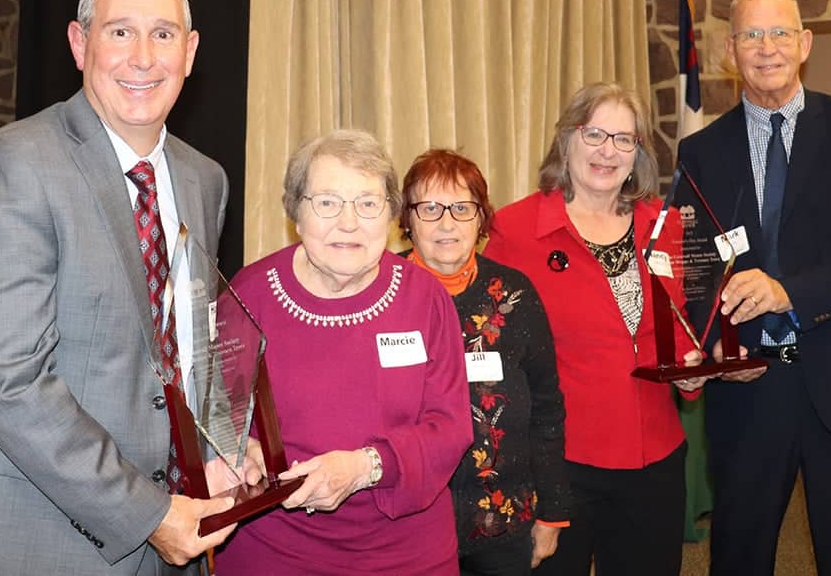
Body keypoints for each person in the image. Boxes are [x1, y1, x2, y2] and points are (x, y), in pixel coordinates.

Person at [0, 0, 241, 575]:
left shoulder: (205, 179)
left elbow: (188, 348)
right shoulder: (12, 165)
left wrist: (227, 447)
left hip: (176, 538)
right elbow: (4, 378)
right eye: (120, 31)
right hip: (35, 538)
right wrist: (147, 514)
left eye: (163, 34)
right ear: (79, 43)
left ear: (190, 51)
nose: (143, 58)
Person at [678, 0, 831, 576]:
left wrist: (789, 293)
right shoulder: (700, 151)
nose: (767, 48)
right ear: (731, 51)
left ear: (804, 44)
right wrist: (721, 346)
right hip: (749, 387)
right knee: (740, 554)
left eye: (780, 32)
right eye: (751, 35)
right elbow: (696, 267)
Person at [214, 130, 473, 575]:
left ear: (391, 213)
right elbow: (213, 411)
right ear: (296, 211)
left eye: (368, 203)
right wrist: (240, 449)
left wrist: (365, 467)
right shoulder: (248, 295)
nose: (349, 223)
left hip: (407, 556)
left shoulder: (426, 298)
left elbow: (450, 428)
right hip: (275, 550)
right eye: (327, 202)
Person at [484, 82, 708, 576]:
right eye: (594, 134)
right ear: (567, 139)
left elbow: (677, 323)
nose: (608, 151)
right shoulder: (515, 230)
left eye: (624, 139)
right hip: (560, 463)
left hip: (654, 457)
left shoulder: (663, 225)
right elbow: (494, 349)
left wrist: (691, 370)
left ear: (637, 153)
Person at [398, 149, 571, 575]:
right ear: (407, 220)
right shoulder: (384, 295)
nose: (447, 223)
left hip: (503, 522)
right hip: (406, 525)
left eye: (462, 208)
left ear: (481, 218)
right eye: (430, 208)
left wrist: (552, 512)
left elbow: (547, 408)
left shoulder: (514, 295)